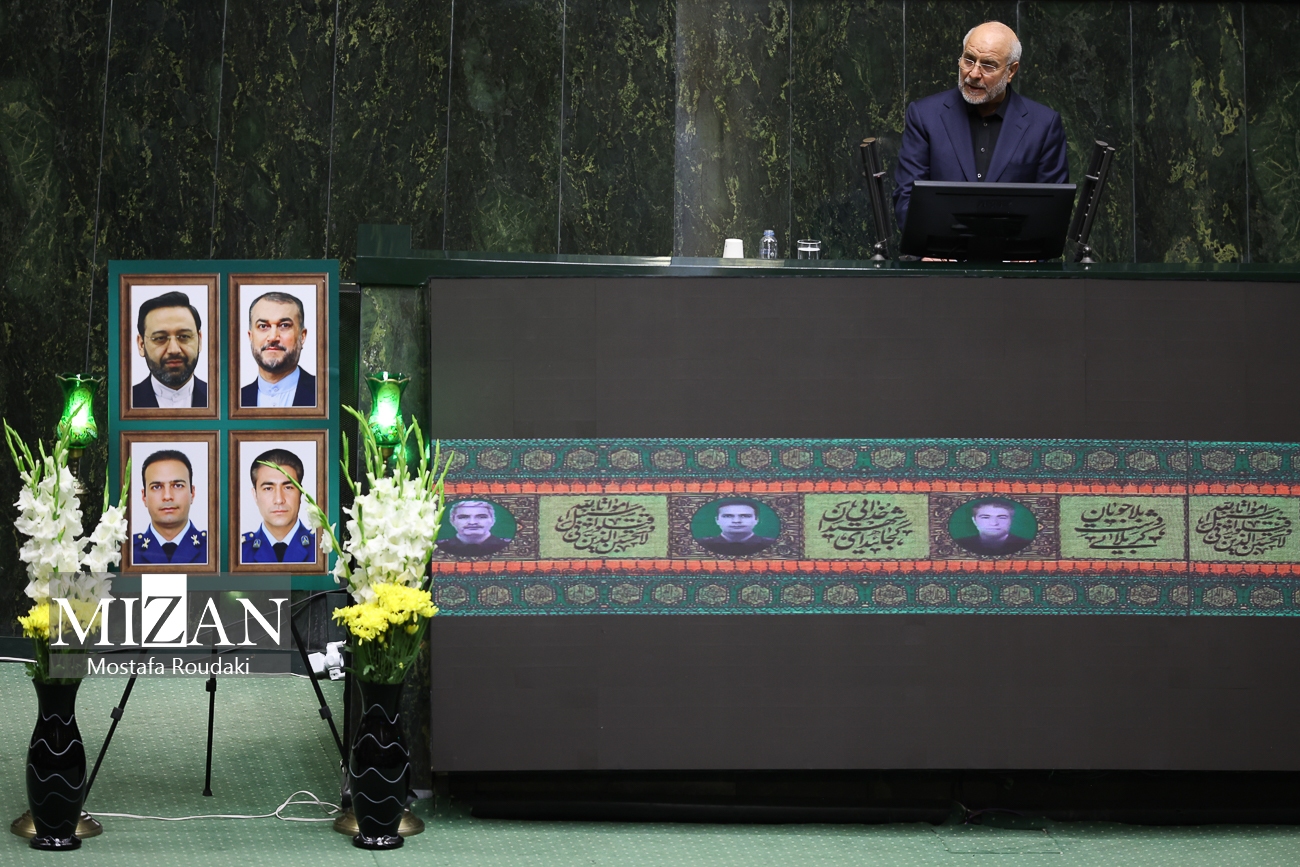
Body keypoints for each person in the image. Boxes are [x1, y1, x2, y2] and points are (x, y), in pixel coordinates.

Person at [892, 20, 1069, 231]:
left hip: (1011, 251)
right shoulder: (925, 116)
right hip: (941, 249)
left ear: (1011, 71)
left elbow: (1051, 209)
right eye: (968, 60)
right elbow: (907, 200)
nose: (974, 74)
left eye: (988, 65)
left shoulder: (1044, 125)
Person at [239, 291, 316, 407]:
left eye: (284, 325)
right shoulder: (231, 402)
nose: (273, 337)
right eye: (263, 326)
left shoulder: (328, 394)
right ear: (251, 337)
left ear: (302, 336)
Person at [132, 291, 208, 408]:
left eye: (184, 336)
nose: (174, 350)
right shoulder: (121, 403)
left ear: (199, 340)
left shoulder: (224, 400)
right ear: (141, 345)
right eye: (160, 338)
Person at [241, 448, 316, 563]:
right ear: (255, 495)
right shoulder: (238, 552)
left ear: (301, 493)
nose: (279, 500)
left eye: (288, 487)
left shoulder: (323, 548)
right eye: (268, 488)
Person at [133, 450, 207, 564]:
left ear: (192, 493)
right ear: (144, 496)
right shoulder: (124, 551)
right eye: (157, 487)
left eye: (177, 485)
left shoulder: (215, 548)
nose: (167, 496)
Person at [954, 497, 1033, 556]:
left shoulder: (1027, 546)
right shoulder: (960, 545)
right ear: (974, 521)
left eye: (1002, 517)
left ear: (1011, 520)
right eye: (985, 517)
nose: (994, 523)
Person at [696, 499, 777, 556]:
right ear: (717, 520)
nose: (736, 521)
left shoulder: (773, 545)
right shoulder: (701, 545)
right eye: (728, 516)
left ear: (756, 520)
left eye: (745, 516)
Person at [437, 500, 512, 557]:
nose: (472, 522)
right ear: (452, 521)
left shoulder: (509, 546)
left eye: (481, 517)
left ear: (493, 520)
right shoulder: (438, 547)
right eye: (463, 517)